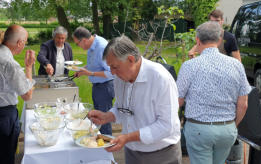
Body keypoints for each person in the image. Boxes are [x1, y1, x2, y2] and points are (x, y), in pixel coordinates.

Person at [88, 35, 182, 164]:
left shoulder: (160, 78)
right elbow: (121, 107)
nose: (112, 72)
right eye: (110, 67)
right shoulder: (120, 77)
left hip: (161, 154)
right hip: (132, 151)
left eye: (115, 67)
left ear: (131, 60)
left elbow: (167, 125)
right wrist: (107, 116)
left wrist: (127, 137)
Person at [176, 21, 251, 164]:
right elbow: (243, 104)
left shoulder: (189, 66)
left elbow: (178, 101)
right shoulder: (236, 65)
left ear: (197, 40)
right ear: (220, 40)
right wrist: (232, 126)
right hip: (226, 129)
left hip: (199, 130)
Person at [0, 25, 35, 164]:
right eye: (25, 41)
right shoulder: (9, 63)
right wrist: (28, 67)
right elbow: (27, 95)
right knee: (6, 157)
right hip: (4, 117)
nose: (24, 45)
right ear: (20, 43)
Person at [72, 27, 114, 135]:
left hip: (105, 87)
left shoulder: (101, 47)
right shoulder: (91, 46)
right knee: (98, 118)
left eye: (77, 44)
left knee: (104, 120)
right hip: (98, 86)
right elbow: (94, 65)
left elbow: (112, 72)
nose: (78, 47)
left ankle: (106, 148)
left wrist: (90, 73)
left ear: (84, 40)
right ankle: (100, 144)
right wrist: (82, 69)